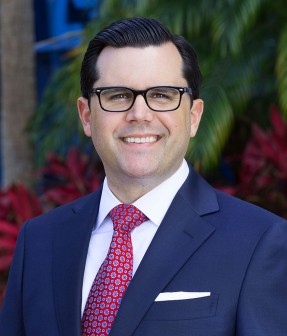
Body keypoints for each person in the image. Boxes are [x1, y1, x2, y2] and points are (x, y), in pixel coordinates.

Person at [1, 17, 287, 336]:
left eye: (162, 95)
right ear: (86, 115)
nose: (139, 114)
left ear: (193, 117)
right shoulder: (39, 241)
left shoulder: (260, 241)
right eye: (118, 95)